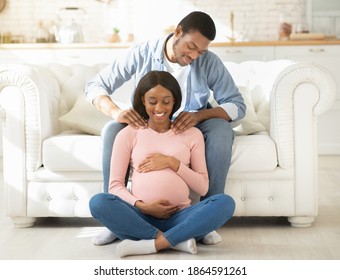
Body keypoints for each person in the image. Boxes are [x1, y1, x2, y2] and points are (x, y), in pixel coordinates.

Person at [85, 11, 245, 246]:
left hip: (191, 122)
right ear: (177, 32)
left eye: (200, 52)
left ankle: (203, 219)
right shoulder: (142, 53)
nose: (193, 56)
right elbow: (95, 85)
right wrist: (116, 112)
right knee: (112, 129)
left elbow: (237, 105)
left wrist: (200, 115)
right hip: (147, 121)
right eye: (190, 47)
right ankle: (118, 220)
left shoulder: (208, 61)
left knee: (222, 130)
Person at [89, 71, 235, 258]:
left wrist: (173, 163)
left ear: (174, 101)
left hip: (181, 217)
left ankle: (151, 243)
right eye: (152, 101)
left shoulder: (191, 134)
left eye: (166, 101)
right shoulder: (129, 133)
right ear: (143, 100)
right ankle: (174, 240)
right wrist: (143, 206)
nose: (159, 107)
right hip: (140, 217)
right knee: (98, 202)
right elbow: (115, 186)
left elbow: (203, 186)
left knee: (224, 203)